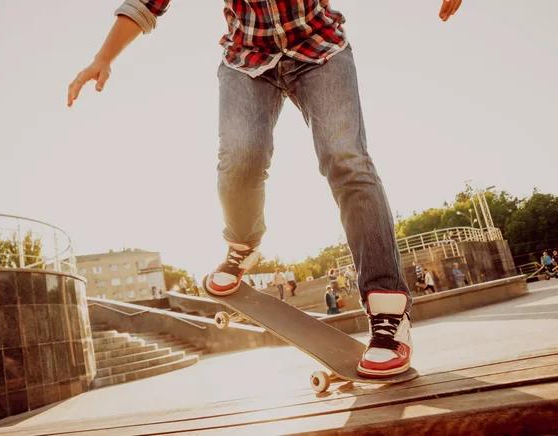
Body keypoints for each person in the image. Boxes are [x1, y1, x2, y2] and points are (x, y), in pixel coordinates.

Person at [67, 0, 463, 379]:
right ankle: (242, 245)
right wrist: (103, 58)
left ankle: (388, 313)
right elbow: (147, 2)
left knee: (346, 159)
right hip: (247, 61)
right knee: (240, 158)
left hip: (320, 48)